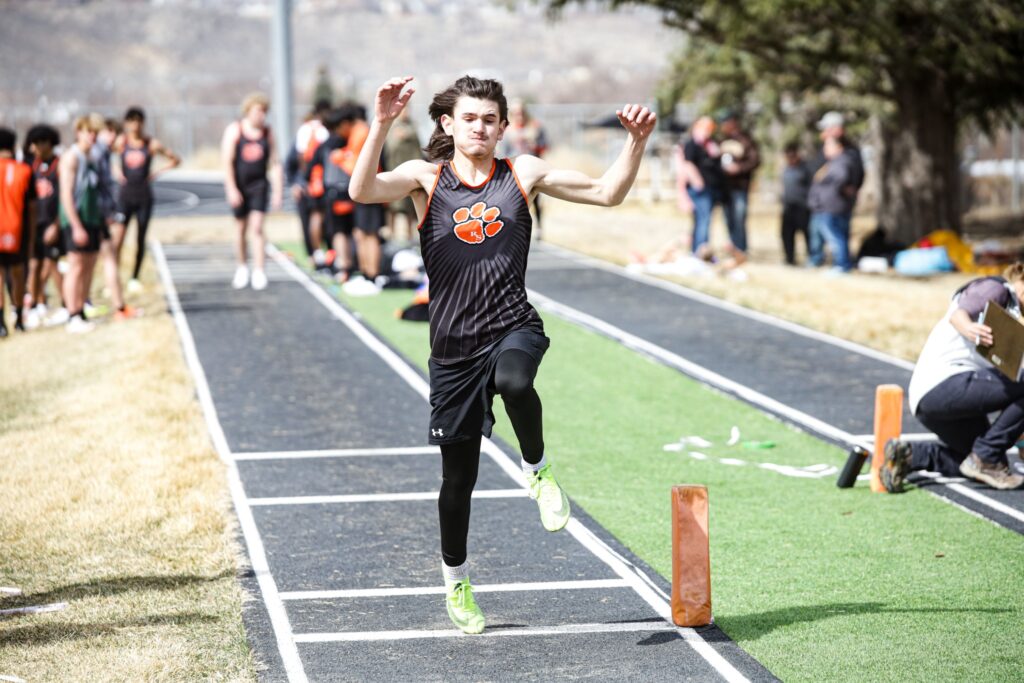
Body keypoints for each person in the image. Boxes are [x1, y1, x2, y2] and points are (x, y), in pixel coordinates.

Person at [349, 75, 656, 634]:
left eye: (490, 119)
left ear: (503, 127)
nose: (480, 127)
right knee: (457, 481)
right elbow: (362, 191)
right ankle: (457, 581)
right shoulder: (427, 178)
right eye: (469, 118)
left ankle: (537, 469)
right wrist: (383, 123)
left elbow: (607, 194)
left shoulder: (523, 173)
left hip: (512, 325)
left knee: (516, 382)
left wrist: (635, 143)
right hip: (452, 349)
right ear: (447, 123)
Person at [882, 265, 1024, 491]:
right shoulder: (997, 288)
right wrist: (968, 327)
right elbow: (959, 314)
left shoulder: (1016, 317)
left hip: (927, 400)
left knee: (977, 462)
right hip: (946, 384)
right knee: (986, 455)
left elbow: (1010, 394)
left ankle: (911, 455)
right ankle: (986, 454)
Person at [113, 106, 180, 291]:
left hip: (143, 196)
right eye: (131, 121)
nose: (135, 125)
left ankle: (135, 276)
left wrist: (156, 173)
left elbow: (175, 159)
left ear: (143, 123)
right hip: (124, 196)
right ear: (126, 123)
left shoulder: (151, 144)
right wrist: (117, 172)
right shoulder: (121, 142)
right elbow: (104, 156)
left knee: (140, 238)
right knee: (118, 238)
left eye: (138, 121)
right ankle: (114, 277)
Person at [221, 92, 283, 290]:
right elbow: (227, 163)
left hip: (259, 186)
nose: (262, 115)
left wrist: (278, 191)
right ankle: (241, 267)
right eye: (259, 110)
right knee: (240, 228)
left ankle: (259, 270)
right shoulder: (235, 130)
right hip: (240, 186)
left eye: (265, 111)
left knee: (257, 227)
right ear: (248, 110)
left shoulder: (267, 133)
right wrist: (231, 189)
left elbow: (275, 163)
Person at [89, 115, 138, 321]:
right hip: (95, 215)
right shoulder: (96, 153)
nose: (114, 139)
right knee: (104, 259)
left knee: (93, 261)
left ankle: (84, 304)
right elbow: (93, 187)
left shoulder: (103, 153)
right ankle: (118, 307)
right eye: (111, 134)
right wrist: (108, 212)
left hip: (98, 214)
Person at [58, 115, 104, 333]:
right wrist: (75, 225)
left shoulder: (93, 156)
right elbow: (66, 194)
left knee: (89, 264)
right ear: (79, 132)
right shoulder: (71, 157)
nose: (92, 136)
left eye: (95, 132)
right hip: (77, 218)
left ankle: (82, 309)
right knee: (75, 265)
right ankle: (72, 314)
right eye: (88, 132)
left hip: (92, 217)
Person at [305, 105, 360, 282]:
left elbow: (311, 167)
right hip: (342, 190)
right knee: (344, 231)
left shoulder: (328, 144)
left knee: (341, 231)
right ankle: (346, 265)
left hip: (337, 190)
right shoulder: (340, 142)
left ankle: (344, 266)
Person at [23, 124, 65, 329]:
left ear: (50, 143)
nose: (38, 147)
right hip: (34, 224)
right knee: (34, 265)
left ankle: (68, 305)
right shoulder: (31, 166)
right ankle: (35, 305)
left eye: (42, 142)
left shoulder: (59, 165)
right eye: (35, 143)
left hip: (51, 223)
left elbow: (63, 199)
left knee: (52, 264)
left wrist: (56, 225)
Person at [809, 111, 864, 266]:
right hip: (823, 201)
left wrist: (851, 187)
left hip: (838, 202)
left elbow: (854, 174)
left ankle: (842, 264)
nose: (823, 132)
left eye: (826, 128)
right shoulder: (824, 149)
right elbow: (814, 171)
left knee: (838, 234)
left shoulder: (849, 152)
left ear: (836, 129)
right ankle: (822, 260)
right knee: (825, 234)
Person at [0, 127, 37, 338]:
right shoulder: (24, 171)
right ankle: (19, 317)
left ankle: (1, 323)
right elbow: (32, 208)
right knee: (17, 274)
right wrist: (31, 238)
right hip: (17, 229)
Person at [287, 100, 330, 266]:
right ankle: (319, 253)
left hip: (310, 182)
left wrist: (298, 181)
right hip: (317, 182)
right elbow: (298, 158)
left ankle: (315, 254)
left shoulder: (305, 130)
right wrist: (299, 181)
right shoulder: (319, 130)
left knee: (311, 219)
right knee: (317, 217)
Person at [675, 116, 723, 260]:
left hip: (710, 189)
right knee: (704, 220)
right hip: (700, 190)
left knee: (702, 220)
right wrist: (698, 182)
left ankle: (697, 251)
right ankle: (701, 252)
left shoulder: (709, 145)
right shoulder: (692, 144)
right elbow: (687, 164)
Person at [716, 110, 760, 264]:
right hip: (725, 188)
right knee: (728, 218)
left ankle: (742, 249)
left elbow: (755, 160)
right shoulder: (721, 141)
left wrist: (739, 168)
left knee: (739, 217)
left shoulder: (746, 140)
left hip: (740, 187)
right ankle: (733, 247)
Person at [501, 99, 548, 238]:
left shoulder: (534, 127)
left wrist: (533, 144)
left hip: (533, 169)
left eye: (521, 112)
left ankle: (539, 227)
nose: (519, 115)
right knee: (516, 202)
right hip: (514, 170)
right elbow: (503, 152)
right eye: (515, 113)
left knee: (536, 199)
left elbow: (544, 146)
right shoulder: (507, 130)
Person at [808, 135, 855, 273]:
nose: (825, 149)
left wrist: (829, 190)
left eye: (828, 145)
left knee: (835, 237)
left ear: (838, 147)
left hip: (833, 206)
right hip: (827, 206)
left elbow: (841, 178)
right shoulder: (831, 163)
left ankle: (841, 265)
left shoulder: (841, 162)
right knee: (835, 236)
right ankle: (840, 264)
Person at [383, 107, 423, 244]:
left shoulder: (412, 125)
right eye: (403, 110)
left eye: (408, 109)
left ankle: (411, 235)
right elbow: (390, 147)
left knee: (411, 204)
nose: (406, 112)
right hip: (396, 170)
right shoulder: (392, 126)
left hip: (414, 170)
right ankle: (391, 234)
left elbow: (418, 146)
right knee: (395, 205)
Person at [780, 142, 812, 266]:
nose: (790, 158)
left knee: (807, 233)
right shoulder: (786, 169)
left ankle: (812, 256)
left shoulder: (805, 169)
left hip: (803, 206)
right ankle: (789, 258)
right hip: (788, 206)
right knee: (787, 234)